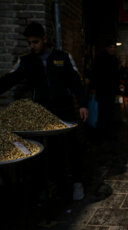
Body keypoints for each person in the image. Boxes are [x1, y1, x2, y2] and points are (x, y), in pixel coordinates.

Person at [0, 22, 88, 200]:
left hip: (64, 110)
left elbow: (76, 82)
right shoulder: (26, 60)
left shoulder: (63, 57)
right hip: (42, 112)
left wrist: (83, 104)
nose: (32, 46)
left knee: (72, 145)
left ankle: (77, 182)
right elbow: (9, 79)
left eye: (35, 42)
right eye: (30, 43)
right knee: (47, 150)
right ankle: (51, 184)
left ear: (45, 39)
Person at [90, 40, 121, 140]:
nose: (113, 49)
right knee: (103, 112)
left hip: (109, 90)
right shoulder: (101, 58)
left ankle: (106, 134)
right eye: (111, 47)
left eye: (114, 47)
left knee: (109, 112)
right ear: (107, 48)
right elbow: (95, 74)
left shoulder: (114, 59)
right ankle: (102, 134)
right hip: (103, 90)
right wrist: (94, 87)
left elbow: (116, 75)